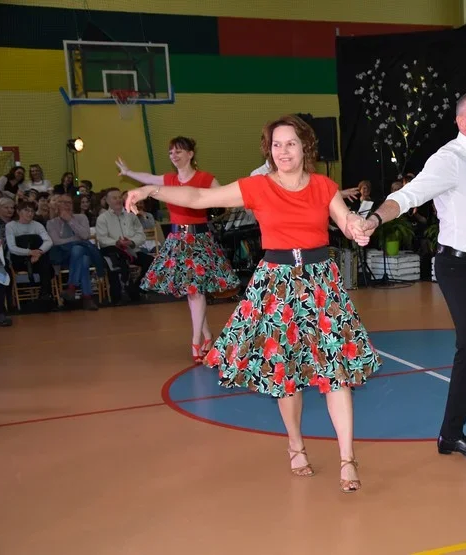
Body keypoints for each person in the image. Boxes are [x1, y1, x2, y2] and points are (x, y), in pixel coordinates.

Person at [124, 115, 380, 493]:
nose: (283, 151)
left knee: (336, 371)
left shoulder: (324, 186)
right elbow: (199, 198)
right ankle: (296, 445)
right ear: (269, 150)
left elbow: (344, 220)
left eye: (290, 143)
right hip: (276, 282)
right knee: (285, 373)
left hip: (320, 283)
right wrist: (151, 190)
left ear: (305, 147)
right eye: (276, 145)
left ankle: (347, 458)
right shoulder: (258, 186)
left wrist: (357, 228)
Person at [349, 91, 466, 480]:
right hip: (456, 268)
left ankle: (450, 435)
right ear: (461, 122)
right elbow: (407, 195)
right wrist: (375, 220)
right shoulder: (448, 160)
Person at [115, 137, 240, 362]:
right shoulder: (169, 180)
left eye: (179, 151)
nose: (174, 155)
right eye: (171, 152)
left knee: (195, 291)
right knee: (193, 292)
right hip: (177, 240)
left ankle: (196, 341)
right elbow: (148, 179)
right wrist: (128, 172)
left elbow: (225, 197)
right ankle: (207, 337)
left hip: (199, 240)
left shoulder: (205, 178)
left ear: (190, 154)